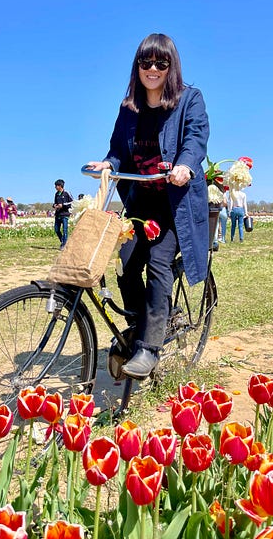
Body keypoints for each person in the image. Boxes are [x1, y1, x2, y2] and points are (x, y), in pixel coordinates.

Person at [87, 33, 209, 380]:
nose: (152, 69)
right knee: (127, 265)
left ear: (171, 66)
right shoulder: (129, 108)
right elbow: (117, 149)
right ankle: (145, 326)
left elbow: (195, 138)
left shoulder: (189, 100)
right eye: (146, 62)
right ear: (137, 66)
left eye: (161, 63)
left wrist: (185, 166)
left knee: (158, 264)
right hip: (141, 202)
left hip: (175, 204)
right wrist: (108, 163)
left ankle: (149, 349)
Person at [53, 180, 73, 248]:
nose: (55, 187)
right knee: (56, 230)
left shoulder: (67, 193)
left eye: (56, 186)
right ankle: (63, 241)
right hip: (58, 214)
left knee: (65, 230)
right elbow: (55, 203)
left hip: (65, 214)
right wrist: (54, 205)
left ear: (60, 186)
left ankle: (64, 244)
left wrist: (63, 205)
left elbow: (72, 202)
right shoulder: (56, 194)